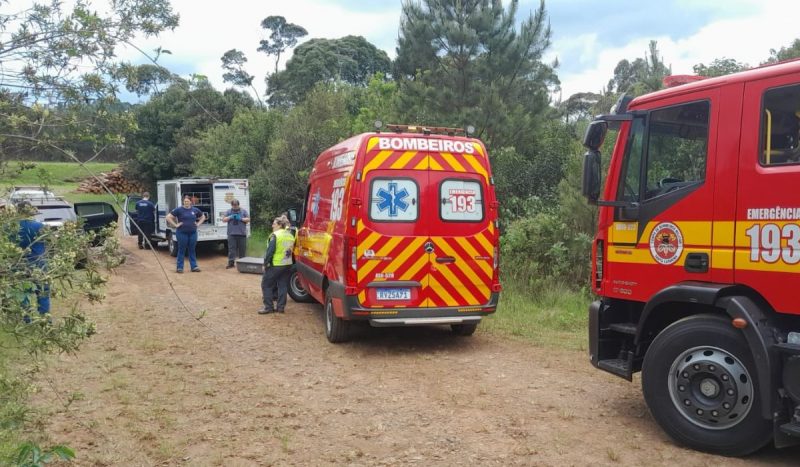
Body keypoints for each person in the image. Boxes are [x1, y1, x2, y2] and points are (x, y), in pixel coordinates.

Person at [15, 200, 50, 315]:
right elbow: (48, 241)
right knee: (43, 293)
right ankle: (44, 320)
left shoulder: (11, 227)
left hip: (19, 264)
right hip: (39, 263)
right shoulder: (39, 226)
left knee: (23, 293)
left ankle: (26, 319)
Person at [259, 216, 295, 314]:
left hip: (276, 264)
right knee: (282, 285)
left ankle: (268, 307)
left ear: (279, 225)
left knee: (266, 285)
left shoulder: (275, 235)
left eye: (274, 224)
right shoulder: (290, 235)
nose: (272, 225)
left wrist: (265, 264)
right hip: (287, 264)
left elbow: (270, 252)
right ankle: (280, 308)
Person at [166, 196, 206, 273]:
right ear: (183, 202)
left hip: (193, 233)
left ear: (190, 202)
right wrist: (175, 225)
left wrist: (198, 224)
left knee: (192, 249)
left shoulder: (195, 210)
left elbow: (203, 217)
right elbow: (168, 217)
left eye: (187, 201)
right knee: (181, 249)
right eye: (185, 201)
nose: (186, 203)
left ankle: (194, 267)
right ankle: (180, 268)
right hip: (181, 233)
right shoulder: (179, 210)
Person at [222, 199, 250, 269]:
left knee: (242, 250)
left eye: (236, 205)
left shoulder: (243, 211)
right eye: (233, 205)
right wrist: (230, 217)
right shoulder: (229, 211)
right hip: (231, 234)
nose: (235, 207)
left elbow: (248, 219)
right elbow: (223, 220)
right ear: (231, 205)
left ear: (238, 204)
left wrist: (241, 219)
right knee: (232, 250)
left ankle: (243, 264)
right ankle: (231, 263)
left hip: (242, 234)